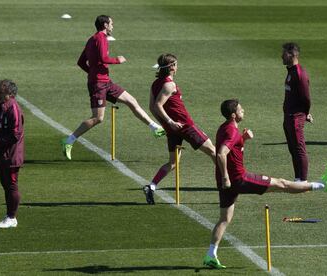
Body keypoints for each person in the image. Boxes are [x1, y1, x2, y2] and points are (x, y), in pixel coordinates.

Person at [203, 99, 327, 269]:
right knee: (282, 184)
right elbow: (221, 154)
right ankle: (323, 185)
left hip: (226, 182)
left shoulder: (225, 128)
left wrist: (243, 138)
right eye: (241, 109)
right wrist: (226, 177)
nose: (245, 111)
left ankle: (210, 255)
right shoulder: (231, 131)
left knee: (224, 218)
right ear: (234, 115)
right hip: (238, 179)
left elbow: (231, 149)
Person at [61, 15, 165, 160]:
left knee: (131, 101)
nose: (112, 26)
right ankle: (69, 140)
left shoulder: (91, 39)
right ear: (105, 25)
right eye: (111, 24)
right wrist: (118, 60)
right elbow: (103, 58)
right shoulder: (100, 39)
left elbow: (81, 62)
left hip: (105, 82)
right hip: (98, 84)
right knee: (98, 118)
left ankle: (155, 128)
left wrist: (93, 73)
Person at [143, 53, 216, 205]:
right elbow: (157, 105)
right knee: (213, 152)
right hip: (184, 126)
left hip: (173, 129)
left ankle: (152, 186)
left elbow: (151, 107)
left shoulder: (155, 83)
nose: (177, 67)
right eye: (175, 64)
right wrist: (169, 121)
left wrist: (165, 124)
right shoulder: (169, 85)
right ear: (171, 67)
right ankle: (226, 182)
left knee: (173, 163)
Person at [0, 80, 24, 228]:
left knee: (11, 185)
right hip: (3, 153)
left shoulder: (13, 108)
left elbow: (15, 135)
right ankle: (9, 216)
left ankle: (12, 217)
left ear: (11, 94)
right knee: (6, 185)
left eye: (2, 93)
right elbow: (1, 131)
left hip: (11, 155)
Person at [282, 42, 313, 181]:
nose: (281, 56)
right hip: (288, 116)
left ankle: (303, 181)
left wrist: (305, 113)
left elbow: (306, 97)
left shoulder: (299, 74)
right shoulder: (291, 71)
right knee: (293, 149)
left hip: (295, 117)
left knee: (299, 149)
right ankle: (298, 179)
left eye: (284, 53)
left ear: (292, 55)